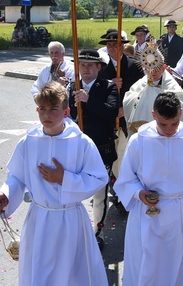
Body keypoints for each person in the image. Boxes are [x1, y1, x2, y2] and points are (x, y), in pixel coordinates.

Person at [0, 82, 109, 286]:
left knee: (72, 274)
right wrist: (6, 195)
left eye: (54, 109)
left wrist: (64, 179)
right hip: (40, 220)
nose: (47, 115)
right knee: (41, 274)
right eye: (43, 109)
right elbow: (17, 177)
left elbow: (98, 178)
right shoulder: (29, 141)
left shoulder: (81, 142)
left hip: (69, 220)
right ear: (37, 110)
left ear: (66, 111)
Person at [114, 92, 183, 286]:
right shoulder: (139, 140)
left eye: (174, 124)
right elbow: (126, 178)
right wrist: (138, 193)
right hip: (146, 212)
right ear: (153, 115)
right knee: (147, 261)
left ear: (181, 113)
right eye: (163, 124)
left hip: (179, 212)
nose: (169, 130)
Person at [69, 50, 119, 251]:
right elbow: (67, 117)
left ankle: (96, 233)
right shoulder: (72, 87)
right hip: (76, 151)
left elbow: (111, 112)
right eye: (82, 64)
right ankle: (75, 231)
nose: (86, 68)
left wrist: (88, 100)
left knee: (99, 195)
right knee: (74, 193)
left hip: (101, 149)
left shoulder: (109, 87)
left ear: (99, 67)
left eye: (90, 65)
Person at [97, 31, 143, 213]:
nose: (112, 48)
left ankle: (125, 194)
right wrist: (110, 83)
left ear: (123, 46)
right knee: (112, 159)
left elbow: (142, 93)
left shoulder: (135, 66)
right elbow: (97, 94)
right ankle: (117, 190)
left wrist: (126, 107)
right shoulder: (101, 69)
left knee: (125, 157)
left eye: (116, 45)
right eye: (109, 45)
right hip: (108, 122)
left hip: (128, 121)